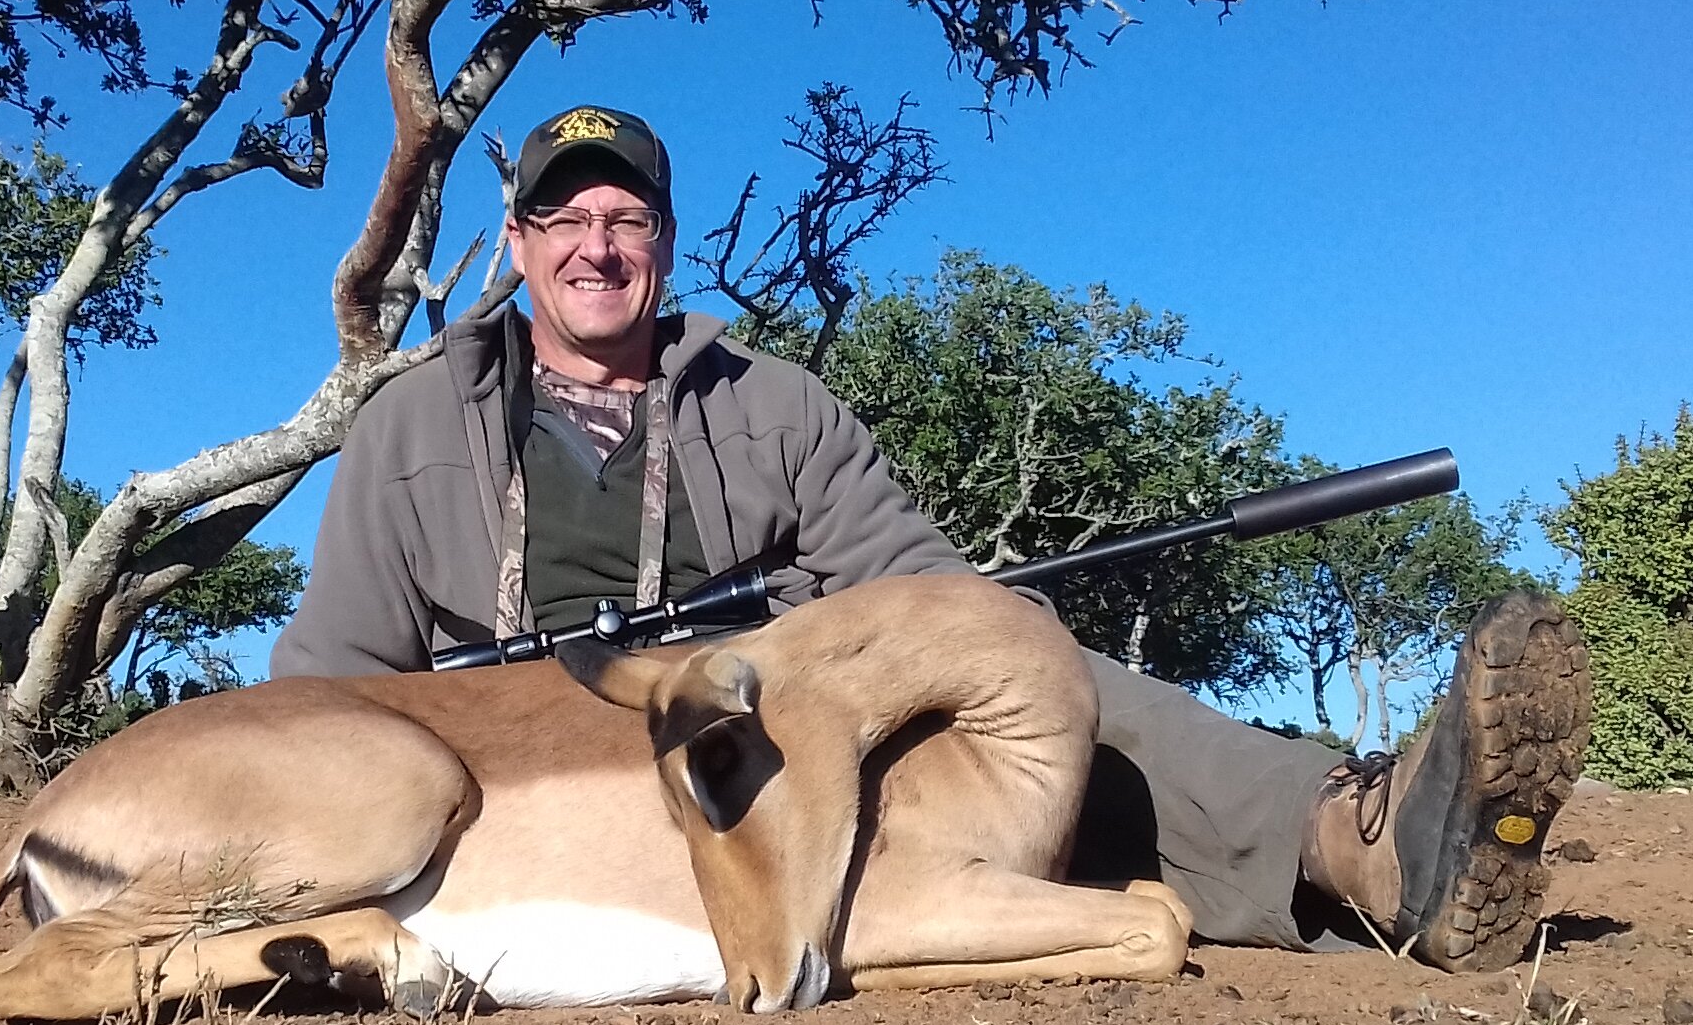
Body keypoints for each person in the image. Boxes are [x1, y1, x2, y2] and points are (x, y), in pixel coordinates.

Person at [272, 105, 1593, 969]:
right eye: (566, 218)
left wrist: (979, 649)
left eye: (626, 219)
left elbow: (919, 590)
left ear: (663, 248)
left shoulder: (774, 403)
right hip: (545, 759)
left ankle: (1356, 840)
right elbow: (328, 677)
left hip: (786, 724)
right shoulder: (410, 424)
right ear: (517, 243)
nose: (596, 245)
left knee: (1037, 668)